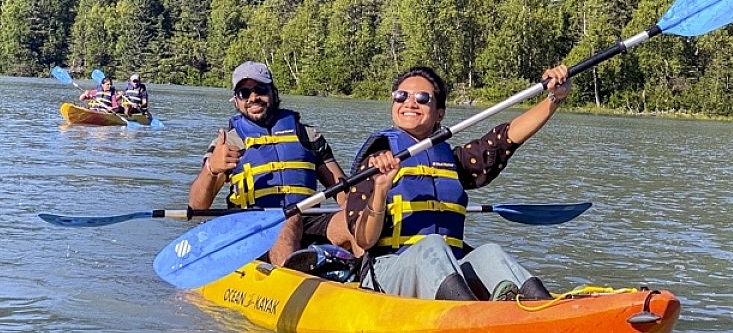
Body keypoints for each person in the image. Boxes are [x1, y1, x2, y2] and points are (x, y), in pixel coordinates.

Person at [346, 64, 571, 301]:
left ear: (440, 113)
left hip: (448, 269)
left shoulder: (452, 162)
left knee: (490, 253)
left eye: (422, 98)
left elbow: (503, 140)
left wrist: (554, 98)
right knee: (432, 245)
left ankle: (542, 308)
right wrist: (381, 188)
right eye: (401, 96)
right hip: (386, 274)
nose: (410, 103)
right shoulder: (375, 161)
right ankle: (469, 316)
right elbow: (364, 240)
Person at [188, 61, 352, 266]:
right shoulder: (228, 144)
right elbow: (196, 206)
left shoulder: (308, 135)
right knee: (286, 220)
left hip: (309, 220)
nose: (253, 97)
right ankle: (287, 284)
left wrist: (362, 210)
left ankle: (370, 282)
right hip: (254, 227)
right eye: (244, 93)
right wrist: (212, 169)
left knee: (354, 220)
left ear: (273, 92)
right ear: (236, 101)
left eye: (260, 89)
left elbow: (344, 194)